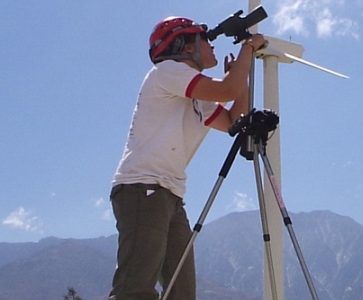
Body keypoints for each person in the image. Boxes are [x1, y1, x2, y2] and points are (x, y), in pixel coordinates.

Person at [108, 16, 267, 300]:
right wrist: (248, 48)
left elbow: (234, 121)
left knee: (180, 292)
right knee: (136, 290)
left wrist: (239, 77)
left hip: (168, 193)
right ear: (185, 46)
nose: (211, 44)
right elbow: (227, 90)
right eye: (204, 39)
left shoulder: (194, 91)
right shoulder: (167, 71)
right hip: (143, 188)